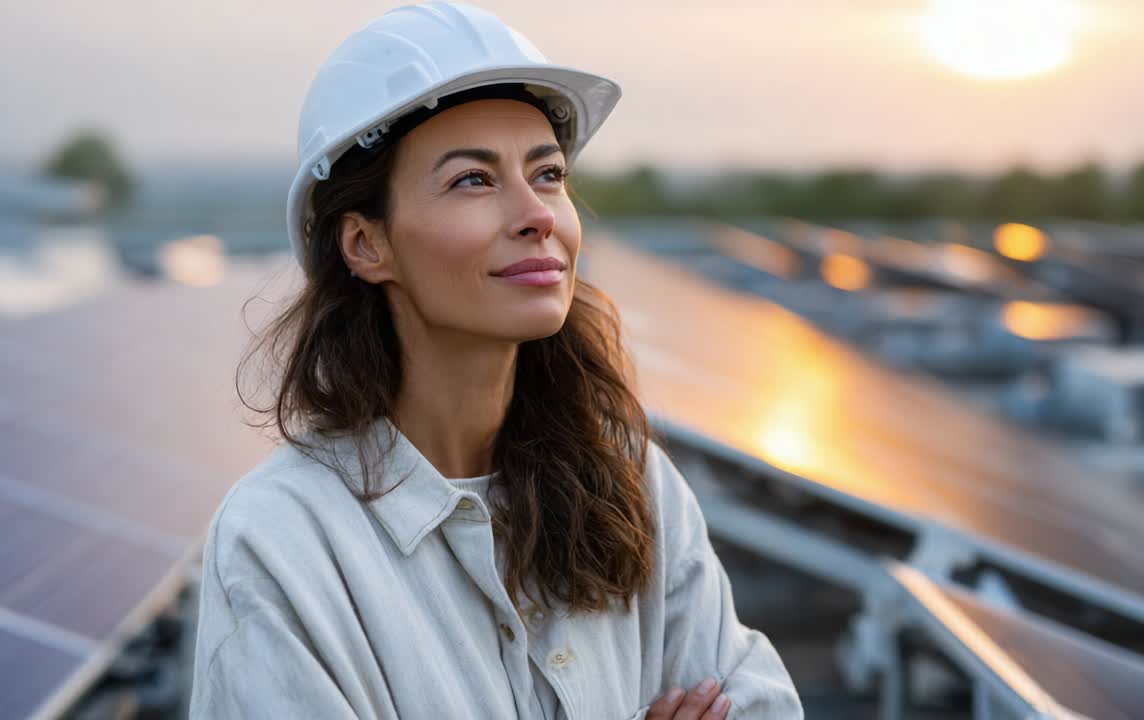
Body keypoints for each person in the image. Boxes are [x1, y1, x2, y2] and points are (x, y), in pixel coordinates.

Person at [189, 2, 803, 718]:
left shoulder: (630, 480)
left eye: (547, 175)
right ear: (365, 244)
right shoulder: (285, 541)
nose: (537, 213)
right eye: (473, 181)